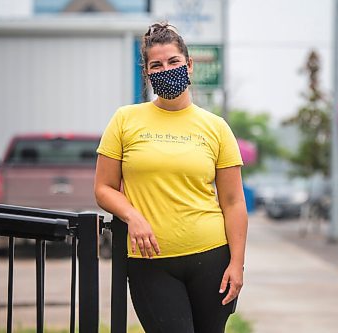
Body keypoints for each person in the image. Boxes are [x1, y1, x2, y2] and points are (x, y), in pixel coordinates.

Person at [94, 22, 248, 333]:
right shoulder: (125, 120)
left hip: (212, 258)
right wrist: (132, 216)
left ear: (189, 64)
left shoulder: (216, 127)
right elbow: (103, 188)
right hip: (150, 261)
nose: (166, 69)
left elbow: (233, 203)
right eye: (157, 65)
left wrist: (237, 264)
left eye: (173, 62)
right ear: (147, 72)